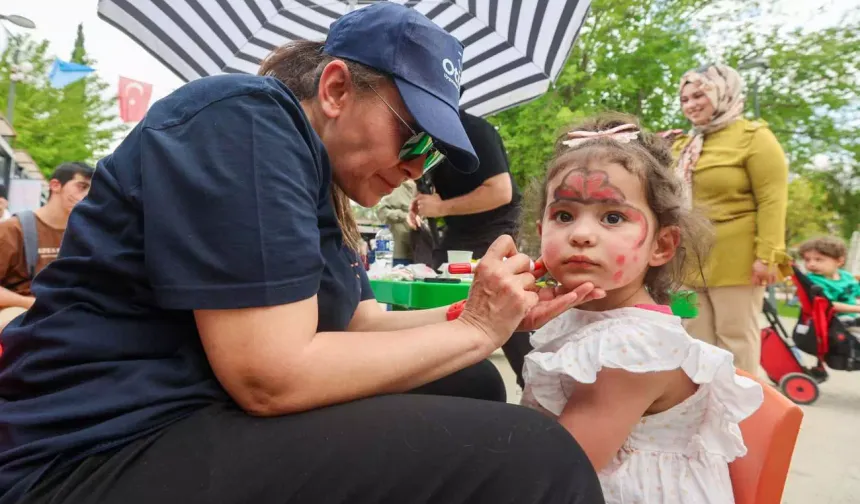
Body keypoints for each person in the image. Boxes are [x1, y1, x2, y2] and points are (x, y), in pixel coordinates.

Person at [0, 5, 608, 504]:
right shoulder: (245, 119)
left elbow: (357, 321)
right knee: (536, 456)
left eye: (435, 155)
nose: (417, 168)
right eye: (415, 135)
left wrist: (492, 311)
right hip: (91, 446)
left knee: (470, 381)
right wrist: (478, 329)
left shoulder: (313, 177)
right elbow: (270, 375)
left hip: (187, 409)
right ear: (337, 87)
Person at [519, 113, 763, 503]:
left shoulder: (634, 350)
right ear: (540, 229)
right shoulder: (586, 315)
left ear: (661, 246)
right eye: (563, 215)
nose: (580, 234)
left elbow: (556, 477)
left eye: (612, 217)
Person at [672, 63, 790, 374]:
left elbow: (772, 199)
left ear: (724, 92)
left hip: (737, 260)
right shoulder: (685, 145)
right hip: (687, 260)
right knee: (690, 333)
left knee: (735, 338)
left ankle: (743, 417)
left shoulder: (755, 138)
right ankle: (702, 409)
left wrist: (768, 256)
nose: (691, 104)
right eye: (685, 99)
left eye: (700, 94)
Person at [0, 162, 93, 330]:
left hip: (72, 314)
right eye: (82, 186)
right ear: (55, 185)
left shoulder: (86, 232)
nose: (87, 195)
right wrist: (32, 302)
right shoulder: (13, 229)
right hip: (22, 312)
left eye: (91, 190)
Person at [799, 236, 860, 319]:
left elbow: (855, 295)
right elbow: (829, 305)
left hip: (852, 317)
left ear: (839, 261)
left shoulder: (847, 277)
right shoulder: (813, 281)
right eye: (807, 260)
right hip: (833, 321)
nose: (811, 264)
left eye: (818, 260)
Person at [375, 179, 417, 266]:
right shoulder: (399, 187)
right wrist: (404, 216)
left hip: (418, 253)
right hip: (398, 254)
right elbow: (382, 211)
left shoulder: (424, 188)